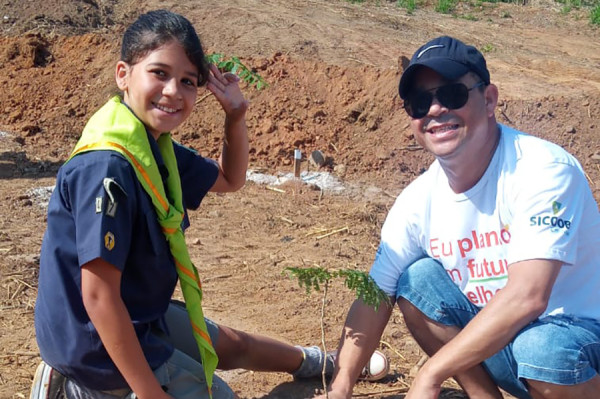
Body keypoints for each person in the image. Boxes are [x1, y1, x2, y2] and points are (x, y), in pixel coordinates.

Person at [32, 9, 386, 399]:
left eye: (188, 81)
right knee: (220, 392)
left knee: (231, 346)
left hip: (138, 315)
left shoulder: (151, 147)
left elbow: (231, 179)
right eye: (159, 73)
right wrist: (152, 394)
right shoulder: (107, 167)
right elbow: (98, 296)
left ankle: (324, 362)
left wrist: (236, 115)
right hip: (96, 349)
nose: (173, 91)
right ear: (123, 74)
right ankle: (75, 389)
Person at [317, 35, 600, 399]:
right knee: (415, 281)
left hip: (579, 342)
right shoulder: (417, 200)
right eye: (420, 103)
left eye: (452, 95)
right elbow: (375, 295)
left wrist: (431, 373)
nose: (434, 110)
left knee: (543, 348)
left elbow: (529, 297)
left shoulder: (543, 170)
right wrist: (340, 387)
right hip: (510, 346)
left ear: (489, 99)